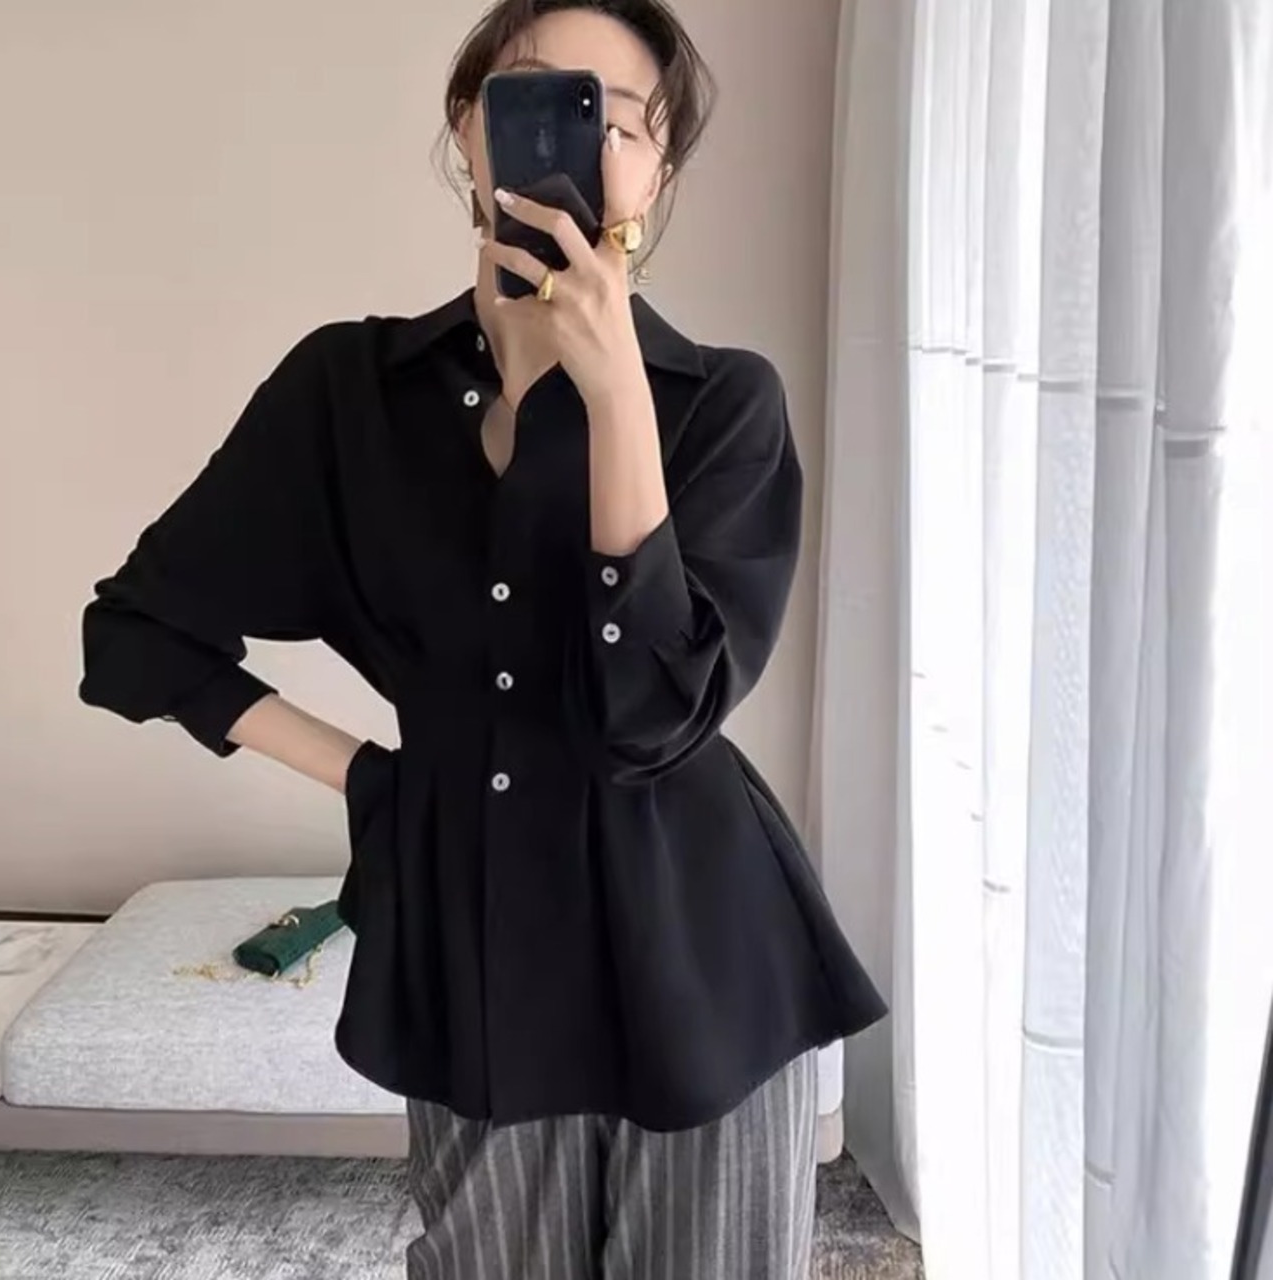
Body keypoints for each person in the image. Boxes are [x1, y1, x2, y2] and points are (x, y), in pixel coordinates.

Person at [78, 0, 887, 1274]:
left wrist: (614, 395)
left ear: (656, 176)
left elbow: (651, 721)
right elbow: (136, 628)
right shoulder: (347, 395)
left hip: (701, 944)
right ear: (468, 128)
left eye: (621, 121)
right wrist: (369, 775)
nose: (583, 139)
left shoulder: (723, 404)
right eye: (536, 96)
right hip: (474, 937)